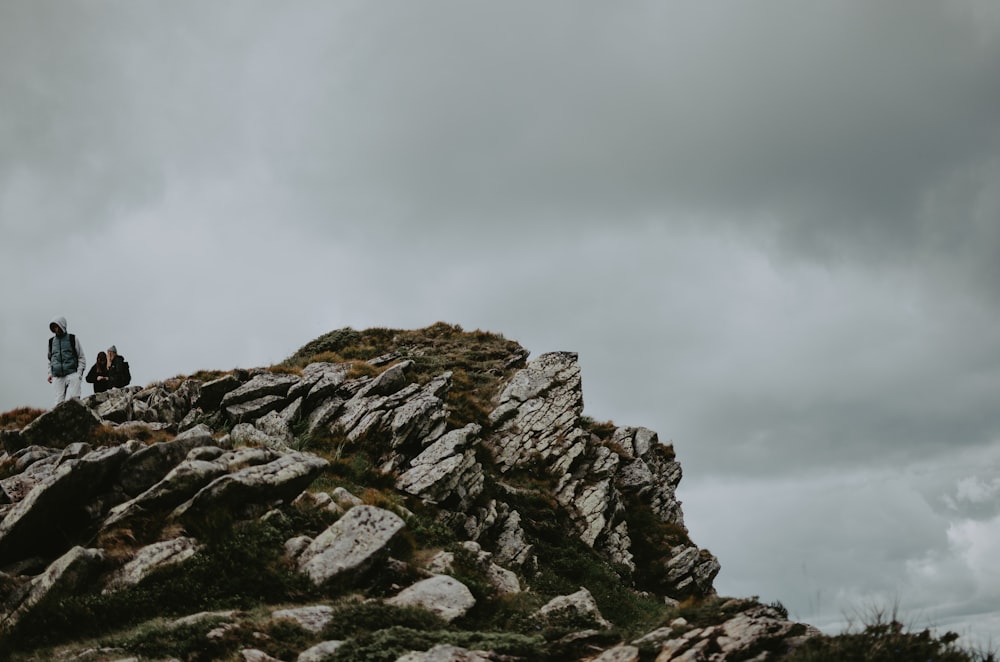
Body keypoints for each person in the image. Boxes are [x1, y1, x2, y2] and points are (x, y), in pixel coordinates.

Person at [47, 316, 86, 405]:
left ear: (62, 325)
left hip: (72, 373)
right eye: (54, 327)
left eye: (57, 326)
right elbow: (50, 359)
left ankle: (77, 418)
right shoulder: (51, 342)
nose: (56, 329)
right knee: (58, 403)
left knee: (75, 401)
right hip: (57, 376)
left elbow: (81, 357)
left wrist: (79, 374)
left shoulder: (73, 339)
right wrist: (50, 373)